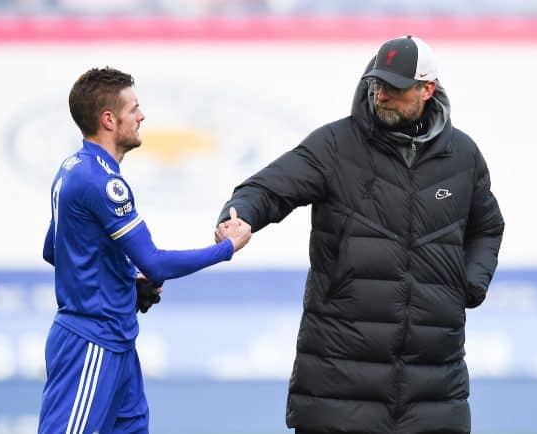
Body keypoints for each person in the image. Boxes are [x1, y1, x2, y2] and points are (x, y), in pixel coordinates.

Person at [216, 36, 504, 434]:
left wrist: (468, 284)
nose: (382, 95)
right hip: (338, 388)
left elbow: (488, 226)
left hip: (433, 391)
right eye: (377, 84)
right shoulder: (334, 145)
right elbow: (265, 189)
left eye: (395, 88)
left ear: (427, 90)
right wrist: (241, 215)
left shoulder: (463, 156)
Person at [38, 67, 251, 434]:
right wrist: (227, 248)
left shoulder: (75, 169)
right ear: (109, 119)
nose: (141, 116)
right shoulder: (100, 182)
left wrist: (124, 281)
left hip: (118, 341)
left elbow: (54, 249)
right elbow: (152, 260)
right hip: (91, 344)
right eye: (133, 108)